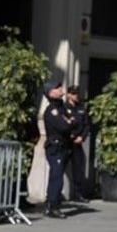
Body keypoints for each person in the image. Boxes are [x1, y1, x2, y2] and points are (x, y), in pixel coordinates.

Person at [42, 79, 72, 219]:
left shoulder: (61, 107)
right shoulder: (52, 110)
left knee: (56, 176)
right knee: (57, 177)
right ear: (50, 93)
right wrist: (68, 121)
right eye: (57, 88)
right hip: (55, 147)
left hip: (64, 146)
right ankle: (53, 206)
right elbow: (64, 126)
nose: (61, 89)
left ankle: (51, 203)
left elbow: (74, 120)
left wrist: (69, 121)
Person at [65, 85, 92, 203]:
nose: (76, 96)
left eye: (77, 93)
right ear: (68, 94)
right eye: (74, 93)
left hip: (78, 143)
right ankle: (56, 194)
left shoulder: (81, 108)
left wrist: (82, 137)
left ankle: (78, 193)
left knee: (78, 170)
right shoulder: (63, 108)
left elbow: (86, 125)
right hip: (66, 142)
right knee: (59, 169)